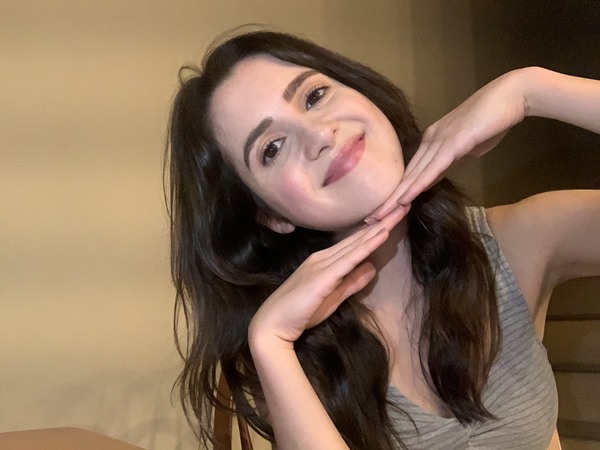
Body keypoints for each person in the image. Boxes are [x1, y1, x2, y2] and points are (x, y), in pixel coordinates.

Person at [166, 29, 600, 450]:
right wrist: (270, 342)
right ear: (270, 215)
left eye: (314, 96)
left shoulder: (518, 239)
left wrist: (532, 90)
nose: (319, 135)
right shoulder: (297, 348)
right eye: (272, 148)